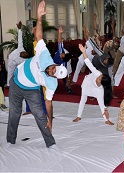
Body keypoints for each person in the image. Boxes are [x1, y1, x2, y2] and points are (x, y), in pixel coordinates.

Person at [6, 0, 67, 148]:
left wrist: (50, 120)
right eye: (54, 68)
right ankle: (10, 140)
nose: (51, 71)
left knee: (40, 116)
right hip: (15, 83)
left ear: (55, 78)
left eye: (54, 74)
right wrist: (39, 18)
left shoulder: (51, 83)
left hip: (32, 90)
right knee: (14, 113)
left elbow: (48, 102)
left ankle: (50, 142)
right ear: (56, 64)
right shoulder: (45, 54)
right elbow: (39, 36)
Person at [72, 44, 114, 125]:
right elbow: (88, 63)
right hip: (86, 84)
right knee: (82, 100)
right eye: (99, 78)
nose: (98, 78)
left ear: (102, 84)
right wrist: (84, 52)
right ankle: (78, 116)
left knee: (101, 103)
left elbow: (102, 104)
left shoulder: (101, 89)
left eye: (99, 80)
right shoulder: (97, 73)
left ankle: (106, 120)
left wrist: (106, 117)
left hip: (95, 90)